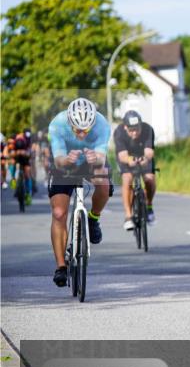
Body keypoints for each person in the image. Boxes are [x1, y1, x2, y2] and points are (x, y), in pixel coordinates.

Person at [47, 98, 112, 288]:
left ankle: (93, 218)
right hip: (64, 164)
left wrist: (95, 159)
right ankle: (60, 267)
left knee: (104, 182)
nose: (82, 133)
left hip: (89, 162)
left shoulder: (102, 125)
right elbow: (58, 160)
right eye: (77, 129)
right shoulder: (57, 124)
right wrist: (67, 160)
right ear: (70, 122)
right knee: (59, 213)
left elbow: (101, 157)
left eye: (87, 129)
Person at [114, 110, 157, 230]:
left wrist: (145, 158)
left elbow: (149, 151)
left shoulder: (148, 129)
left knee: (150, 179)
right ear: (125, 127)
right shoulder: (119, 132)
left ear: (141, 126)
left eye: (137, 129)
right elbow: (122, 156)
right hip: (126, 157)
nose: (134, 133)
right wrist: (130, 160)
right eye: (131, 130)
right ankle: (128, 215)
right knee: (127, 179)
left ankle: (148, 206)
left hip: (143, 156)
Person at [12, 132, 33, 204]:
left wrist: (26, 153)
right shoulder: (14, 142)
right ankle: (14, 179)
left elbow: (30, 152)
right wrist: (15, 153)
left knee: (27, 173)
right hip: (17, 159)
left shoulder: (27, 141)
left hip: (25, 159)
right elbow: (10, 153)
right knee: (14, 164)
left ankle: (28, 193)